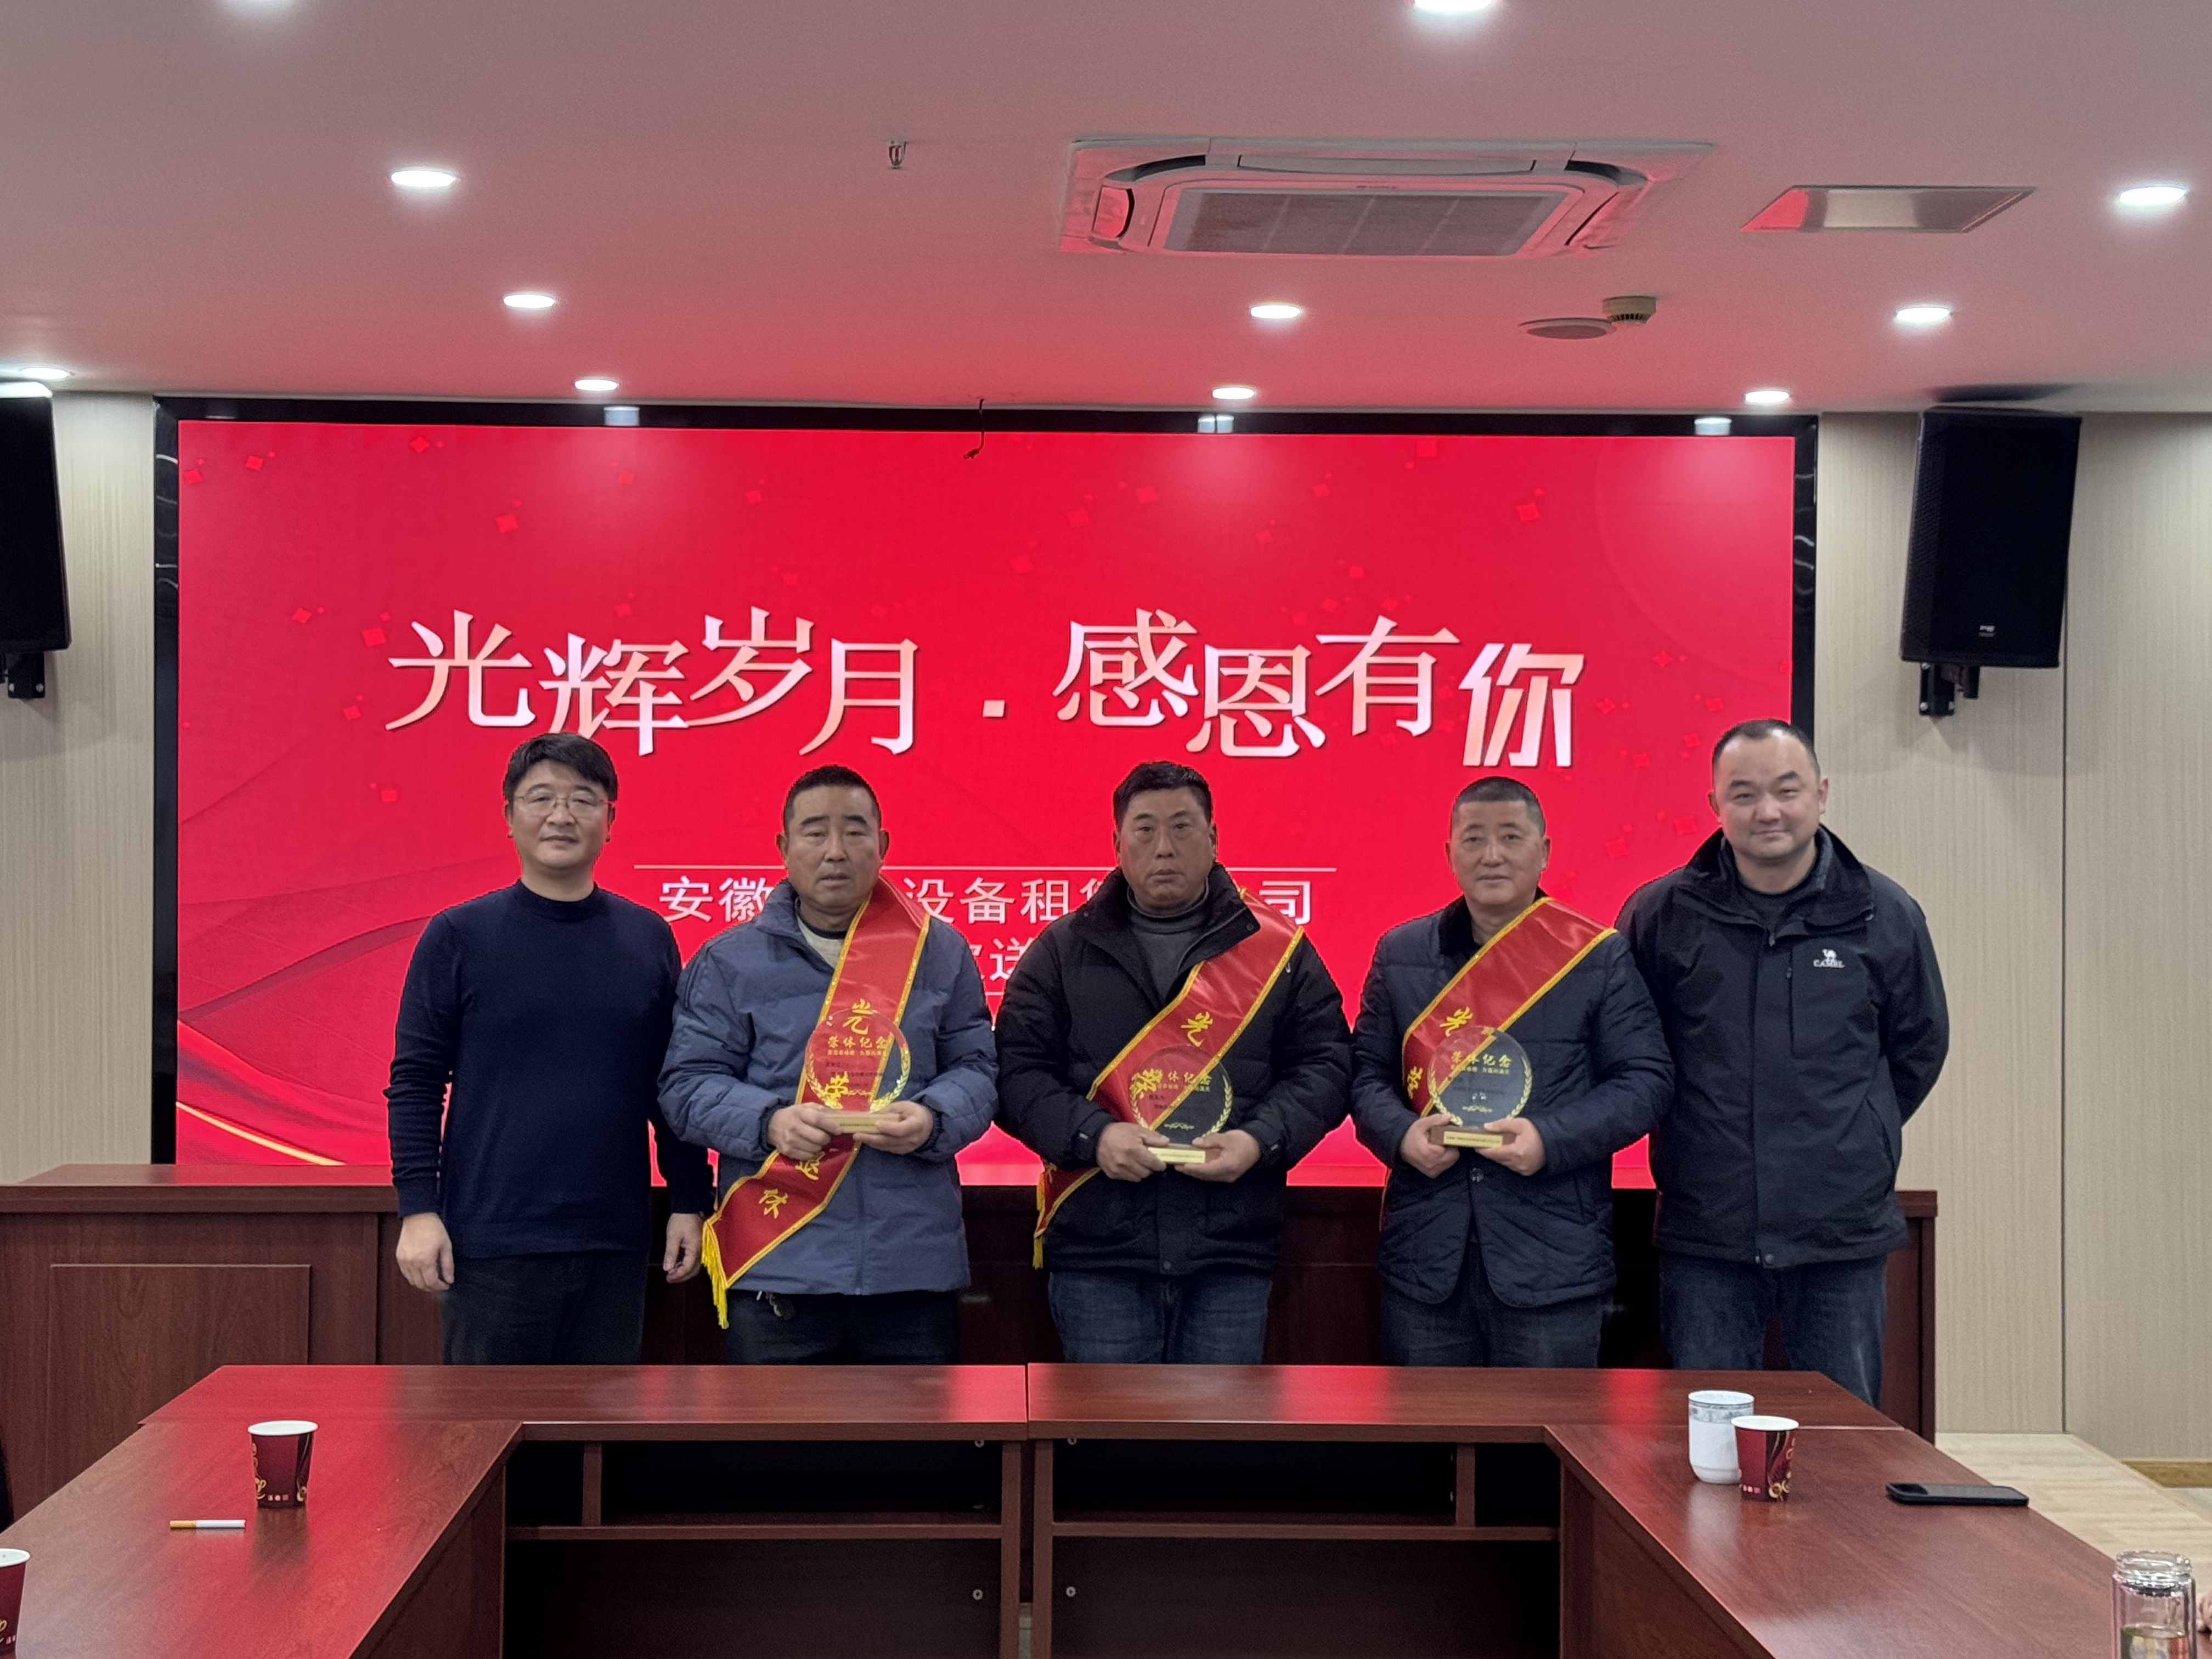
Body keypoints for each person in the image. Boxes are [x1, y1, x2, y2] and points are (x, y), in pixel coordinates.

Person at [1618, 718, 1948, 1407]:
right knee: (1706, 1439)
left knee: (1843, 1435)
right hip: (1707, 1227)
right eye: (1744, 794)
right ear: (1715, 804)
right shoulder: (1661, 914)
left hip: (1840, 1229)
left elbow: (1918, 1046)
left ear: (1822, 794)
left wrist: (1857, 1128)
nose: (1767, 811)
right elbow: (1633, 1050)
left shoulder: (1885, 914)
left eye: (1787, 790)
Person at [995, 760, 1352, 1364]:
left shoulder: (1279, 951)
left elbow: (1327, 1066)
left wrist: (1258, 1141)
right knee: (1107, 1426)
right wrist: (1094, 1137)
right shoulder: (1060, 951)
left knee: (1216, 1428)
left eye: (1183, 828)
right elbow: (1015, 1073)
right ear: (1117, 844)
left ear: (1213, 838)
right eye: (1145, 830)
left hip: (1229, 1248)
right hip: (1100, 1249)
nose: (1164, 848)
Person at [387, 733, 712, 1364]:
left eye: (583, 800)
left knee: (602, 1422)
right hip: (490, 1241)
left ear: (609, 821)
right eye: (541, 798)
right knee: (490, 1421)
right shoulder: (458, 935)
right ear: (510, 816)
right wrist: (418, 1209)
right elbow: (417, 1082)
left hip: (614, 1240)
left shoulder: (647, 938)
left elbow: (670, 1085)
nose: (562, 815)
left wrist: (690, 1201)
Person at [659, 765, 997, 1363]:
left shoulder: (939, 951)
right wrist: (768, 1121)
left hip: (909, 1268)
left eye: (855, 832)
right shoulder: (729, 961)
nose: (836, 851)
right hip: (778, 1265)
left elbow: (978, 1069)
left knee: (917, 1431)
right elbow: (686, 1086)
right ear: (784, 847)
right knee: (777, 1432)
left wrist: (933, 1119)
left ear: (882, 844)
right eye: (815, 833)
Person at [1350, 777, 1673, 1367]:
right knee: (1428, 1427)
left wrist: (1550, 1140)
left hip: (1553, 1260)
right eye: (1474, 839)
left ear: (1544, 851)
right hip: (1427, 1258)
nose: (1492, 855)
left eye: (1511, 838)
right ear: (1450, 853)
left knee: (1546, 1428)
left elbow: (1646, 1082)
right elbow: (1366, 1075)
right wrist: (1402, 1136)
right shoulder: (1401, 952)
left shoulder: (1596, 956)